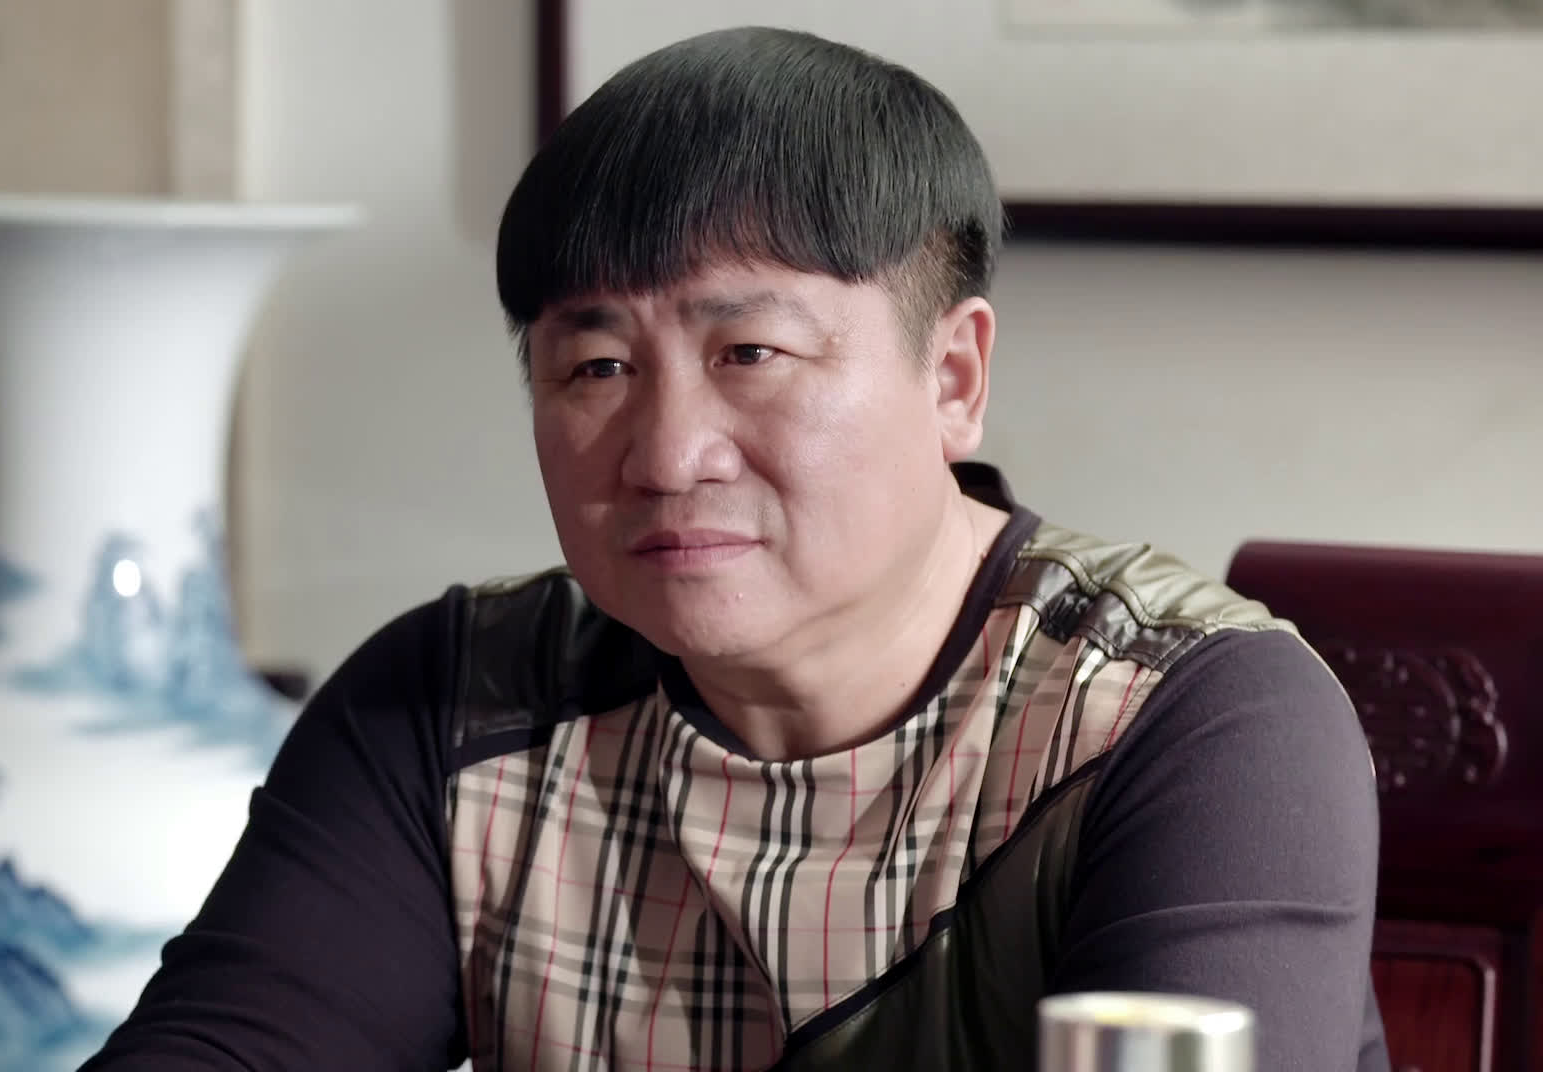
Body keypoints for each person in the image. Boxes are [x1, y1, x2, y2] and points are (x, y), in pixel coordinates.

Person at [82, 26, 1386, 1071]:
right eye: (595, 366)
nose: (665, 453)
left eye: (749, 352)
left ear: (953, 377)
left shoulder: (1187, 721)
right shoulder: (452, 702)